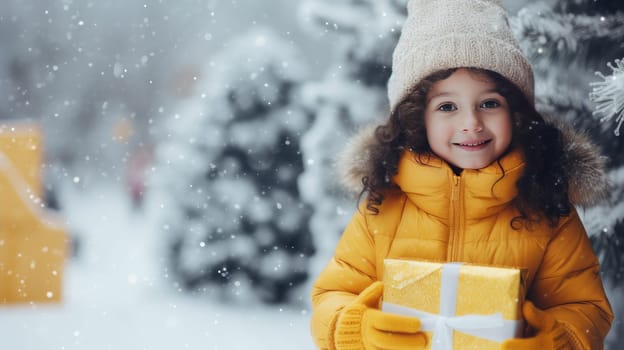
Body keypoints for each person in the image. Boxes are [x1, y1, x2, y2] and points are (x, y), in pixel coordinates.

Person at [309, 0, 614, 349]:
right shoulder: (383, 207)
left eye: (489, 103)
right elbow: (333, 294)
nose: (471, 123)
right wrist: (355, 327)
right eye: (447, 107)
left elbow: (585, 307)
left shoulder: (547, 209)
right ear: (416, 118)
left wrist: (559, 340)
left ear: (516, 113)